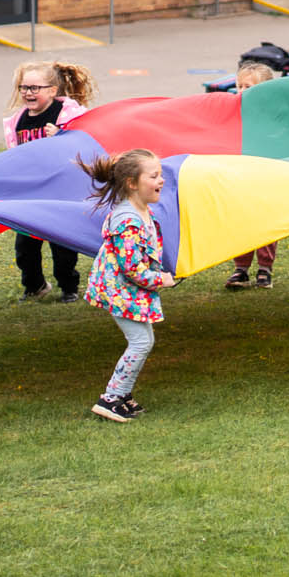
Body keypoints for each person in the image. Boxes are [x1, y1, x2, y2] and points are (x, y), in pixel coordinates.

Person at [82, 148, 175, 422]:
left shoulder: (141, 211)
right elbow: (132, 267)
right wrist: (162, 280)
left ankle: (122, 395)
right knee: (140, 342)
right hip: (118, 290)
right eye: (154, 176)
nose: (161, 181)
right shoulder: (128, 222)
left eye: (160, 175)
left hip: (125, 289)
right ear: (132, 183)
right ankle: (110, 398)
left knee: (143, 341)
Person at [6, 60, 95, 303]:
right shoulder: (18, 121)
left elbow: (85, 142)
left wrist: (61, 135)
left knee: (62, 245)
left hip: (60, 192)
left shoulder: (67, 115)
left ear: (52, 91)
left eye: (35, 88)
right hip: (30, 193)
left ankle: (68, 287)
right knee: (25, 246)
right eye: (24, 88)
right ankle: (35, 285)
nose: (28, 93)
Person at [222, 62, 283, 290]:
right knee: (240, 218)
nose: (242, 91)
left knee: (265, 218)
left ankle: (265, 268)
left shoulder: (272, 114)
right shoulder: (232, 109)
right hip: (240, 173)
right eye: (239, 86)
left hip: (265, 173)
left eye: (248, 86)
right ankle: (241, 268)